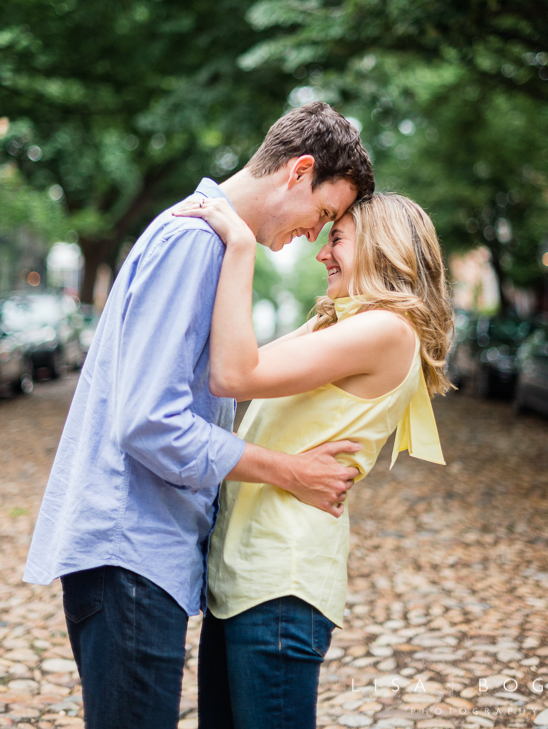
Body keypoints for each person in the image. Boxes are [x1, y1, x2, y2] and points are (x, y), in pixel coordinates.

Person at [23, 103, 374, 729]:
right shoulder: (195, 242)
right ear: (298, 172)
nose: (314, 236)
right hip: (129, 553)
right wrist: (287, 471)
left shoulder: (212, 241)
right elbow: (150, 421)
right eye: (322, 214)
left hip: (137, 557)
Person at [174, 191, 453, 729]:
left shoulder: (387, 330)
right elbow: (236, 365)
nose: (322, 253)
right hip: (243, 578)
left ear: (381, 247)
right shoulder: (340, 321)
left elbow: (235, 376)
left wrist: (240, 246)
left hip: (281, 583)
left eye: (338, 238)